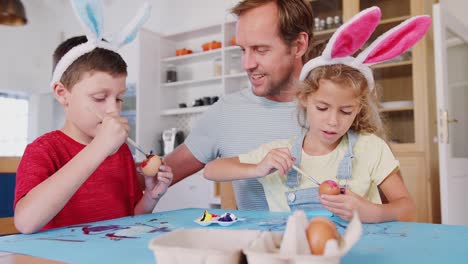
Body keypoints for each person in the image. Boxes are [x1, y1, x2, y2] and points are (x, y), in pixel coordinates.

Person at [204, 7, 431, 223]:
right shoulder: (280, 154)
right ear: (304, 99)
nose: (333, 121)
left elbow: (407, 209)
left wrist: (372, 211)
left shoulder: (371, 148)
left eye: (346, 111)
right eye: (322, 108)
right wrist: (257, 168)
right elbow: (211, 169)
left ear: (359, 109)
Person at [14, 1, 172, 234]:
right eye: (99, 97)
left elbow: (128, 220)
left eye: (119, 98)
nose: (113, 110)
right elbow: (26, 223)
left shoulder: (119, 152)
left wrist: (150, 197)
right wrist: (99, 147)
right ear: (62, 94)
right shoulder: (44, 150)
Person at [164, 0, 315, 211]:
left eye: (260, 50)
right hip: (257, 242)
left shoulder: (337, 108)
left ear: (298, 45)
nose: (247, 64)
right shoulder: (226, 112)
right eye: (243, 49)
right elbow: (157, 175)